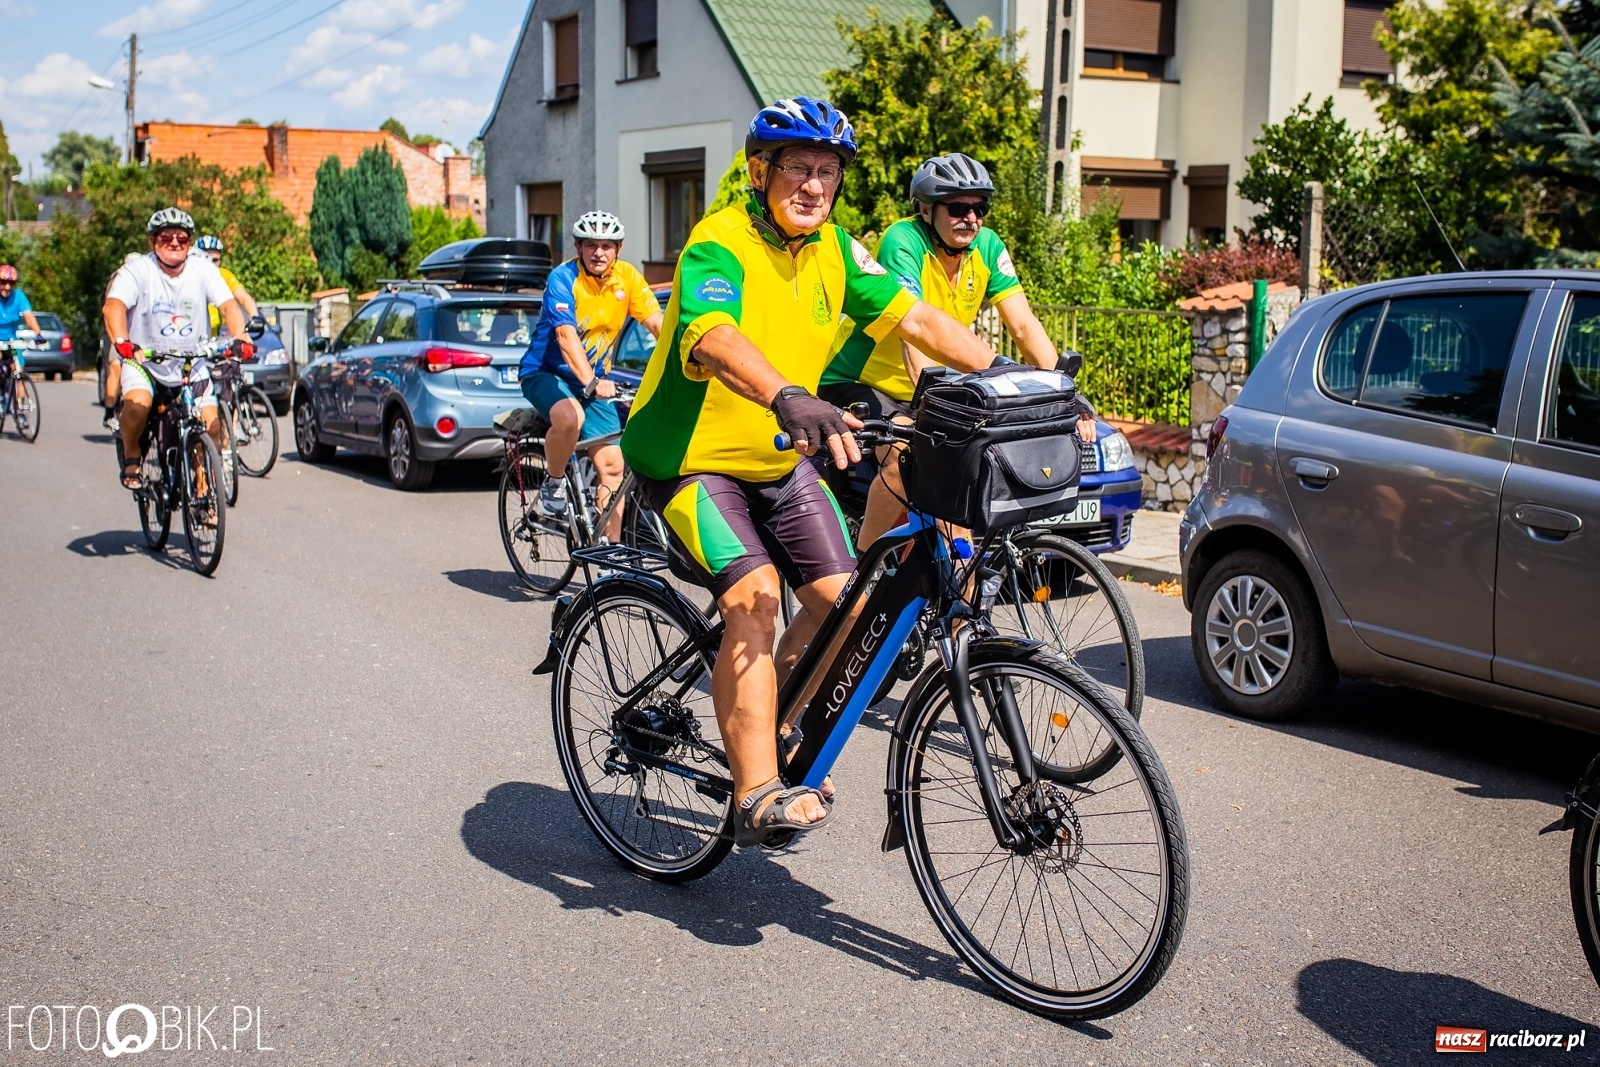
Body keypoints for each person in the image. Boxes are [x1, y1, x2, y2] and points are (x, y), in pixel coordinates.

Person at [618, 98, 1004, 848]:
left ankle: (779, 719)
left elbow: (918, 319)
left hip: (778, 458)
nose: (814, 185)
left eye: (827, 171)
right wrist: (787, 392)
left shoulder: (835, 249)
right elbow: (714, 334)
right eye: (798, 166)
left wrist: (1017, 375)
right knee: (756, 600)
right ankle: (756, 787)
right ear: (761, 171)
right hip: (690, 463)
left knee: (849, 602)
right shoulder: (718, 241)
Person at [820, 152, 1098, 548]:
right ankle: (862, 570)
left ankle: (960, 595)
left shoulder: (986, 246)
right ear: (927, 209)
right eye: (957, 208)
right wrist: (942, 407)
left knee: (960, 479)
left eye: (979, 208)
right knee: (906, 453)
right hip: (857, 380)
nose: (971, 218)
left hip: (925, 385)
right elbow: (912, 337)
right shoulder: (903, 240)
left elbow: (1022, 324)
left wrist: (1064, 390)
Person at [517, 211, 662, 541]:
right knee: (570, 416)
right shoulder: (563, 278)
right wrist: (591, 382)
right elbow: (566, 337)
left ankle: (609, 554)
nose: (599, 252)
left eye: (607, 246)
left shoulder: (627, 278)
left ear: (618, 249)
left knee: (613, 464)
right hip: (546, 372)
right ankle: (553, 481)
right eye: (591, 245)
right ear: (578, 248)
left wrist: (684, 359)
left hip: (595, 382)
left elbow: (657, 324)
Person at [102, 208, 252, 489]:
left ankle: (203, 490)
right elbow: (114, 306)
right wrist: (122, 341)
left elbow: (229, 305)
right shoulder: (137, 270)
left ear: (189, 242)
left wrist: (241, 337)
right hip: (144, 360)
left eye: (181, 238)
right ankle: (132, 454)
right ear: (152, 241)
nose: (174, 243)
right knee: (137, 406)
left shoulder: (203, 269)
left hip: (190, 363)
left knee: (212, 424)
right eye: (166, 237)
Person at [195, 234, 261, 333]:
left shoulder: (224, 274)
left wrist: (255, 317)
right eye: (206, 258)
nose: (210, 264)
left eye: (215, 260)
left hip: (217, 336)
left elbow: (243, 297)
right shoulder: (187, 274)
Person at [0, 264, 44, 406]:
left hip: (12, 339)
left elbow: (28, 316)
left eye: (11, 283)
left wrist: (38, 334)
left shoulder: (18, 296)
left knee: (18, 371)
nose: (7, 287)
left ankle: (21, 409)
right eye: (3, 282)